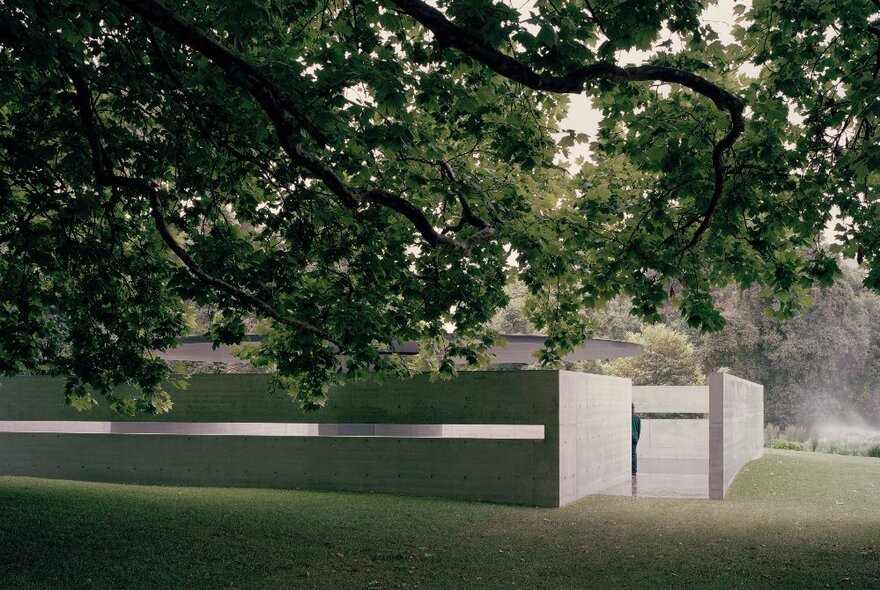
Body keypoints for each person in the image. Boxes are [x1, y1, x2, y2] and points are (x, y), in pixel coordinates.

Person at [631, 403, 641, 476]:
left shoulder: (627, 417)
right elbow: (639, 429)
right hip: (635, 437)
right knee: (633, 454)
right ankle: (634, 471)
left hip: (628, 437)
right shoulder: (637, 417)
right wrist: (637, 438)